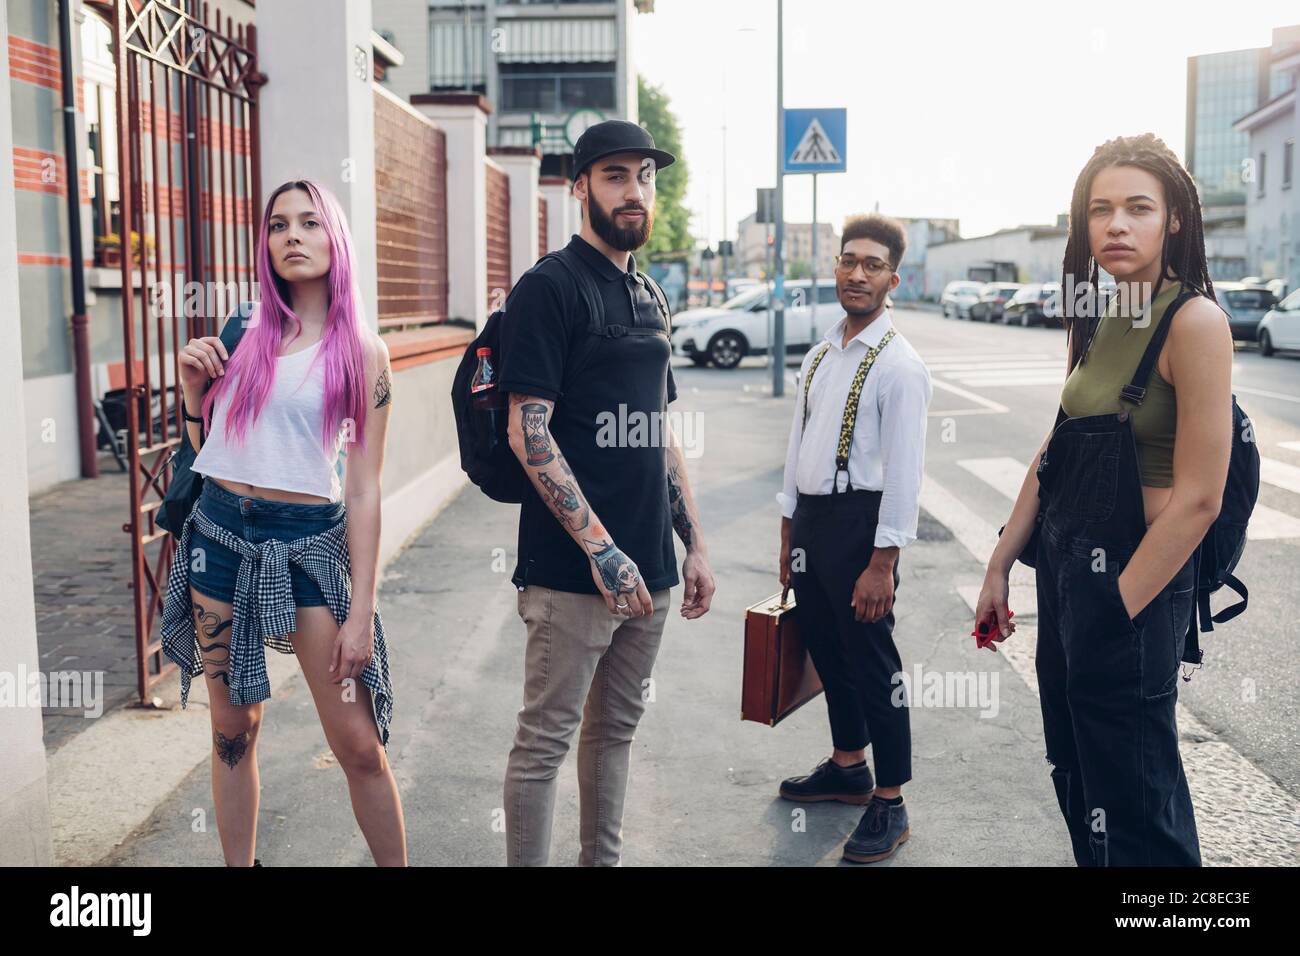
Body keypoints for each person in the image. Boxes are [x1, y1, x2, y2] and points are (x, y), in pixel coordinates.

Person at [977, 134, 1233, 866]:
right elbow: (1054, 448)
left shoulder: (1195, 322)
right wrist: (1000, 564)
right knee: (1077, 770)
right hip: (1065, 577)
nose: (1116, 225)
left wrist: (1117, 607)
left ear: (1174, 219)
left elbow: (1200, 500)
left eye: (1137, 208)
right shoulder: (1101, 317)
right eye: (1101, 210)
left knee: (1136, 793)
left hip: (1136, 586)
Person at [160, 179, 406, 866]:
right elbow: (206, 448)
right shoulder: (245, 330)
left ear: (336, 239)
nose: (292, 236)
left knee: (357, 743)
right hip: (218, 536)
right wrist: (190, 391)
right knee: (232, 729)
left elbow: (363, 488)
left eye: (309, 223)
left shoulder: (362, 351)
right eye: (277, 225)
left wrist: (362, 611)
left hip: (305, 546)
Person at [497, 120, 716, 866]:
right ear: (579, 186)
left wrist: (694, 545)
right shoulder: (549, 288)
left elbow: (661, 430)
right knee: (544, 743)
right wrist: (601, 551)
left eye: (645, 176)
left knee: (615, 733)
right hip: (572, 574)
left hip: (651, 568)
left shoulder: (649, 293)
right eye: (616, 175)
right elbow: (530, 433)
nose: (634, 191)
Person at [776, 214, 933, 864]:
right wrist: (787, 532)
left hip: (863, 528)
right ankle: (848, 767)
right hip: (813, 522)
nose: (858, 273)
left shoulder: (899, 367)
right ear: (835, 268)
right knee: (826, 648)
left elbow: (904, 471)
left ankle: (890, 799)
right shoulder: (820, 353)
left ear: (892, 279)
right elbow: (797, 447)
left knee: (874, 665)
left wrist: (884, 560)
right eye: (849, 261)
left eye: (872, 265)